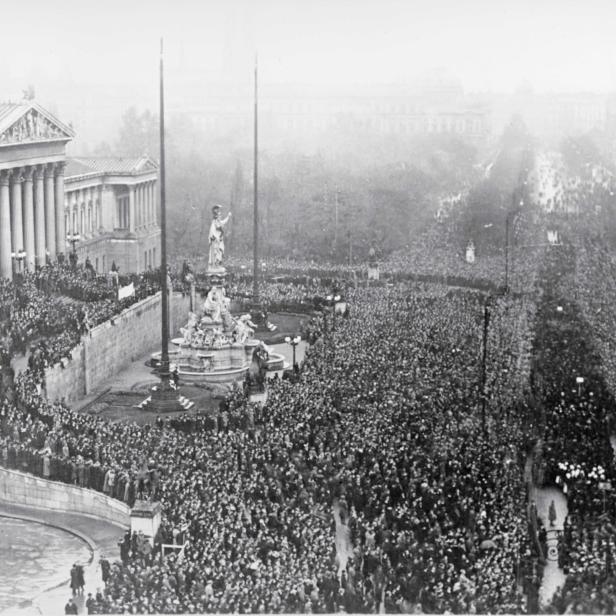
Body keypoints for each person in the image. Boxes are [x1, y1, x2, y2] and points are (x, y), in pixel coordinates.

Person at [208, 205, 232, 269]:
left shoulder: (218, 222)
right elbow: (212, 232)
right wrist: (215, 238)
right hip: (216, 241)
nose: (220, 217)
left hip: (219, 241)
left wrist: (228, 216)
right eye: (219, 216)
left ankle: (218, 264)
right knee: (216, 253)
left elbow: (223, 222)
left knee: (220, 252)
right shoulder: (214, 223)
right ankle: (215, 265)